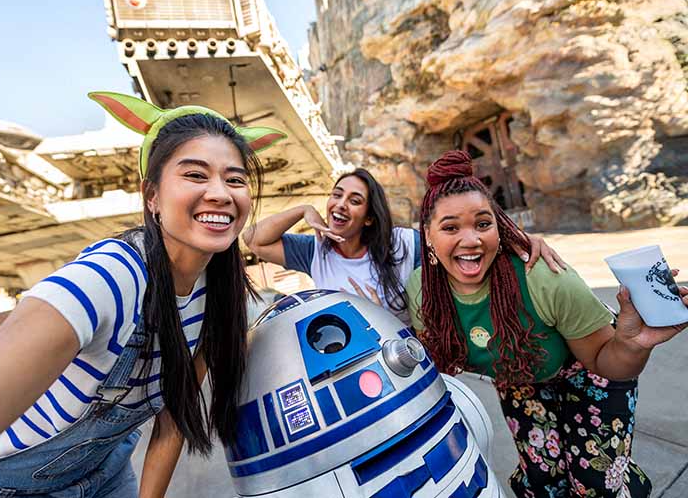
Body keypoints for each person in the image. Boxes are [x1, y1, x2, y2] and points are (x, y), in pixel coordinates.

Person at [0, 91, 285, 498]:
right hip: (5, 486)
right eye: (195, 175)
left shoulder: (217, 294)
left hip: (107, 474)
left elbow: (173, 419)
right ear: (152, 196)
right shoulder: (109, 278)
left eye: (235, 179)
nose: (220, 193)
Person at [405, 150, 688, 497]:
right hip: (520, 374)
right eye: (451, 227)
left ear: (499, 227)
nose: (471, 239)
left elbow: (607, 363)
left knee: (596, 483)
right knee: (542, 482)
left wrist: (634, 343)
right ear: (428, 238)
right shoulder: (423, 292)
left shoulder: (547, 280)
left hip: (589, 365)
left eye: (483, 223)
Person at [243, 167, 563, 325]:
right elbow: (253, 239)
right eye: (336, 194)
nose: (340, 204)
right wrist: (303, 210)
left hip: (405, 361)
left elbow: (462, 247)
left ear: (369, 218)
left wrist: (520, 240)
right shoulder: (316, 249)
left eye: (354, 200)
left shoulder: (401, 244)